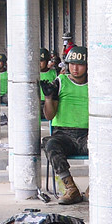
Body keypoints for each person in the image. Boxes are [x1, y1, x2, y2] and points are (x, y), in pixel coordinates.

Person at [40, 45, 90, 205]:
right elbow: (49, 115)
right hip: (64, 134)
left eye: (80, 64)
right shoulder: (61, 82)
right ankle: (70, 188)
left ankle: (94, 187)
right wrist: (48, 98)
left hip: (88, 134)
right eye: (71, 64)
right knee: (50, 143)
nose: (75, 68)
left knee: (106, 146)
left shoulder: (96, 83)